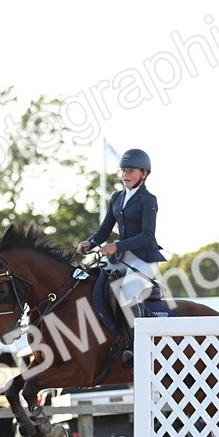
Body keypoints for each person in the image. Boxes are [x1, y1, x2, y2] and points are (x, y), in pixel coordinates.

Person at [76, 148, 163, 367]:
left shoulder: (148, 200)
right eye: (123, 171)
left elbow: (147, 236)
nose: (125, 175)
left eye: (130, 171)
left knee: (125, 293)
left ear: (144, 174)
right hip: (122, 258)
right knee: (93, 280)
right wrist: (90, 242)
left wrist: (116, 246)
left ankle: (137, 346)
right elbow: (105, 229)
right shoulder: (117, 197)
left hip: (144, 259)